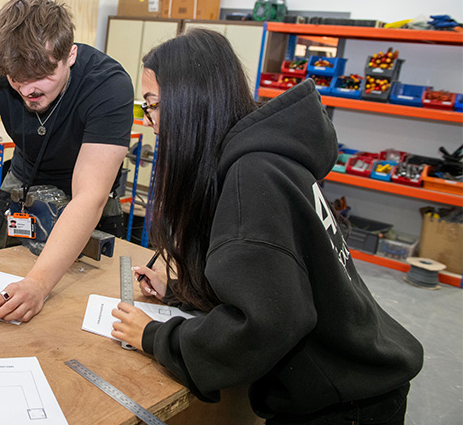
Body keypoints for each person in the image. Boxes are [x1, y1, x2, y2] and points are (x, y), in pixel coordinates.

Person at [111, 29, 424, 424]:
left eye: (153, 105)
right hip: (354, 380)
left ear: (191, 102)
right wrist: (179, 292)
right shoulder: (265, 160)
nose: (152, 122)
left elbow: (268, 323)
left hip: (344, 404)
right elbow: (270, 281)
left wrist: (156, 337)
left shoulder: (252, 176)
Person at [0, 0, 133, 322]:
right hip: (24, 182)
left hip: (87, 194)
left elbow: (90, 196)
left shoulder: (107, 85)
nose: (28, 90)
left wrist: (39, 283)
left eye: (42, 76)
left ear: (70, 55)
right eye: (17, 80)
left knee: (77, 307)